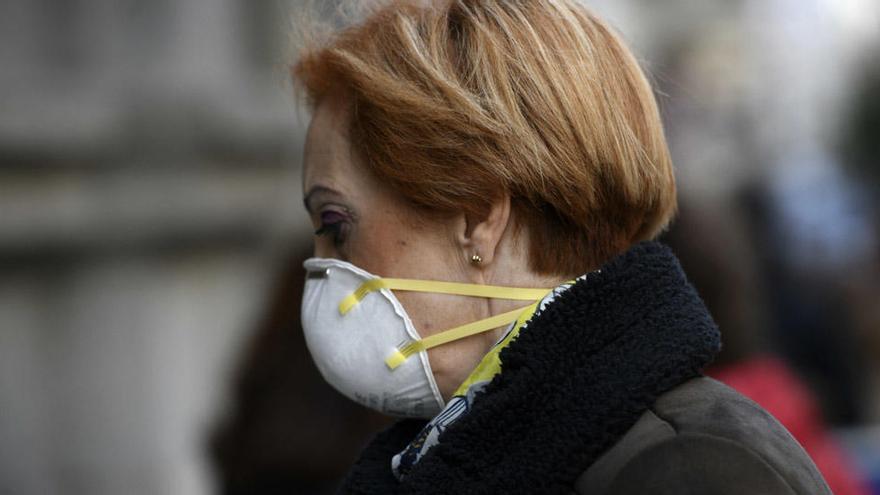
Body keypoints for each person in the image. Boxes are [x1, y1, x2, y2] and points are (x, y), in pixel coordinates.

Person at [291, 1, 832, 493]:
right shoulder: (448, 453)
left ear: (479, 216)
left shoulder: (693, 470)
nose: (321, 265)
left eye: (336, 223)